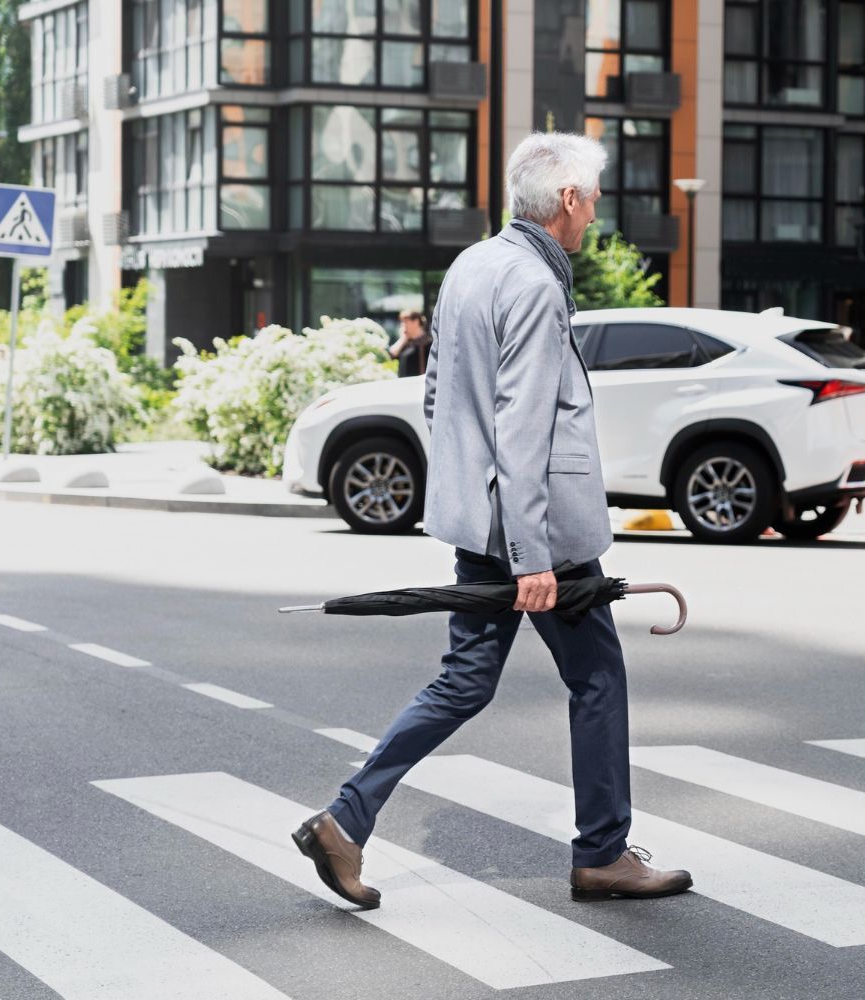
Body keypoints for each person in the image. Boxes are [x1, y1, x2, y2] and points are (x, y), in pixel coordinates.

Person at [292, 132, 693, 909]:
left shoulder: (472, 266)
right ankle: (603, 854)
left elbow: (439, 398)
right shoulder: (537, 285)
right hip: (537, 534)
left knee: (465, 681)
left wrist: (476, 509)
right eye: (595, 197)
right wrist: (532, 554)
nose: (597, 211)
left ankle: (346, 820)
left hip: (484, 523)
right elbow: (524, 424)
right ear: (569, 200)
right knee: (599, 678)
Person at [388, 309, 430, 377]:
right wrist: (403, 338)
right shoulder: (406, 343)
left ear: (416, 322)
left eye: (406, 322)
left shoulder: (428, 343)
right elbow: (391, 355)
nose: (402, 325)